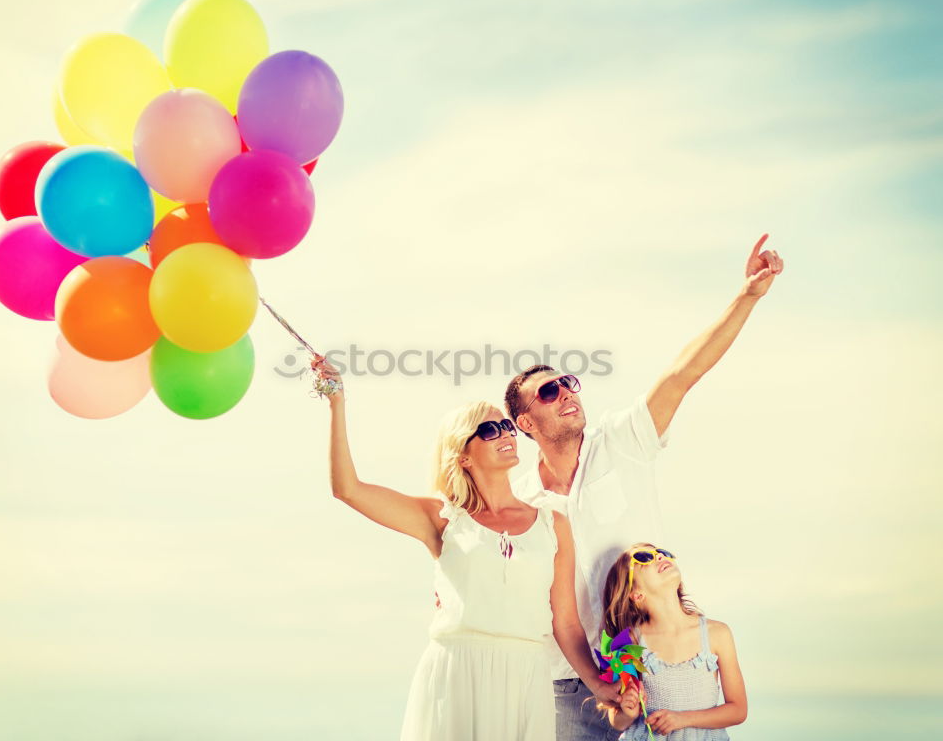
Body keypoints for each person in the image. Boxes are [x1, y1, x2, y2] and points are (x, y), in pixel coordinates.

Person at [503, 235, 782, 739]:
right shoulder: (520, 500)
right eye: (548, 391)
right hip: (566, 683)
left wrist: (747, 296)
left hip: (653, 668)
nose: (565, 391)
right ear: (525, 423)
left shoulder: (622, 439)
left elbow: (683, 373)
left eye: (568, 382)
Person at [311, 355, 621, 740]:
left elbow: (566, 623)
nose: (506, 434)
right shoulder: (443, 518)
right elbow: (348, 489)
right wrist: (336, 402)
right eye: (489, 430)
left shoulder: (552, 523)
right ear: (463, 455)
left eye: (506, 425)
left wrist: (600, 685)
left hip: (528, 678)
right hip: (457, 673)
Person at [599, 544, 747, 739]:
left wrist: (683, 719)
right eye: (644, 558)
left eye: (662, 553)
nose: (659, 556)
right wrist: (629, 712)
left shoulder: (717, 634)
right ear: (635, 594)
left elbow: (738, 710)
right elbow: (616, 720)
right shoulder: (630, 643)